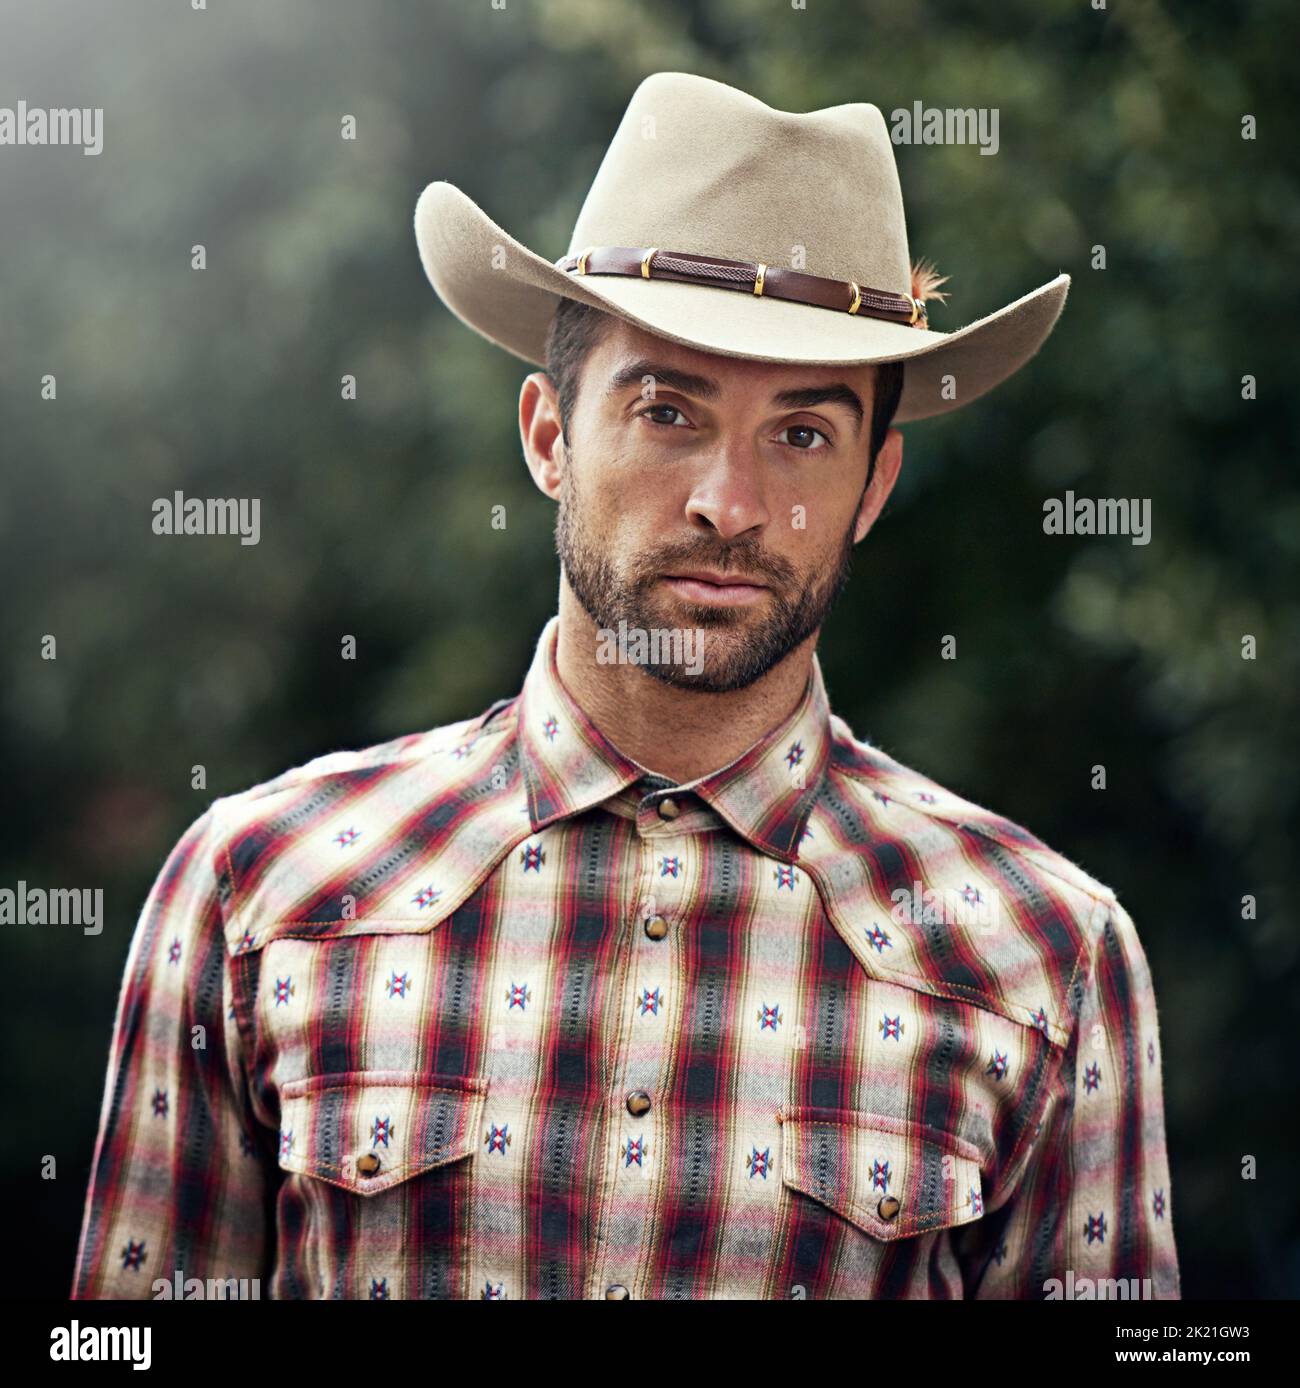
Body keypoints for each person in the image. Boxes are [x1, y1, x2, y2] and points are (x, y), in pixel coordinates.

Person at [72, 71, 1179, 1300]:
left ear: (872, 486)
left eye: (803, 434)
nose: (729, 503)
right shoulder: (258, 886)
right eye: (666, 411)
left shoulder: (1040, 956)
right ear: (548, 436)